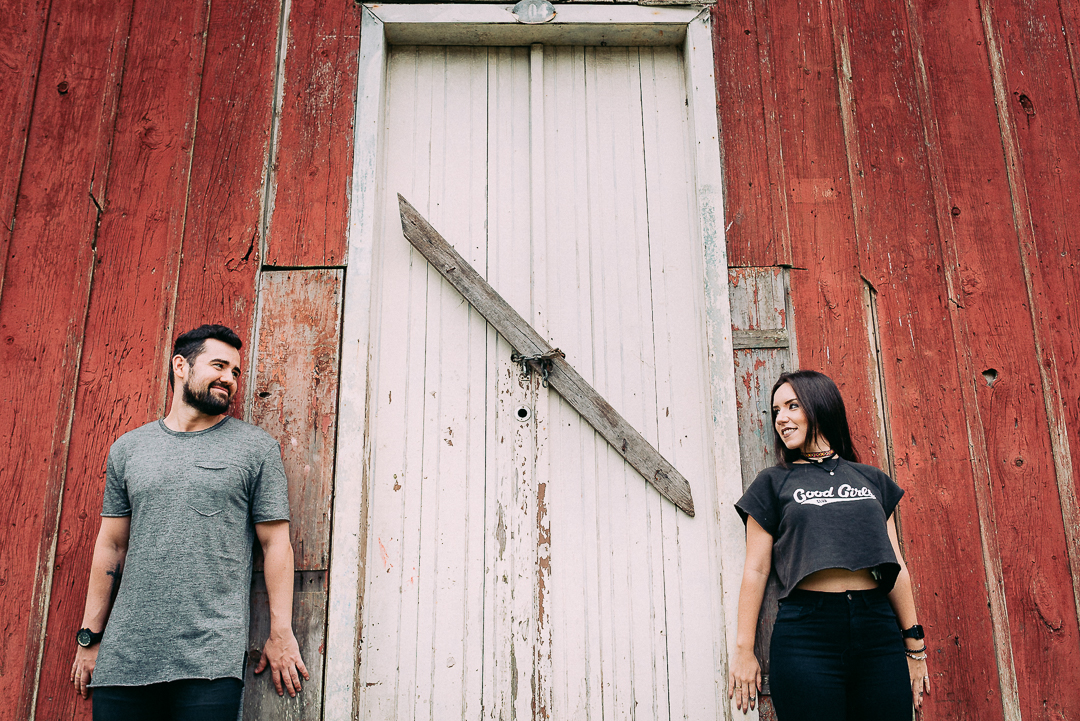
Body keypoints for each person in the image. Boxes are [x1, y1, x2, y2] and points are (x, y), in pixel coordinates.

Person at [70, 324, 309, 720]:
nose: (229, 379)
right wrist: (89, 637)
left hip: (208, 663)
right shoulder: (129, 450)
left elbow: (276, 545)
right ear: (181, 366)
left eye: (235, 372)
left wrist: (280, 632)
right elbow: (112, 545)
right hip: (124, 659)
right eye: (218, 365)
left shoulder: (255, 449)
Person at [727, 370, 930, 720]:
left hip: (877, 632)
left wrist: (915, 648)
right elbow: (756, 569)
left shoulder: (871, 479)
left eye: (792, 406)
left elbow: (896, 566)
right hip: (808, 635)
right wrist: (744, 650)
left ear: (819, 406)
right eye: (776, 411)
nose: (782, 419)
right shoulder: (772, 483)